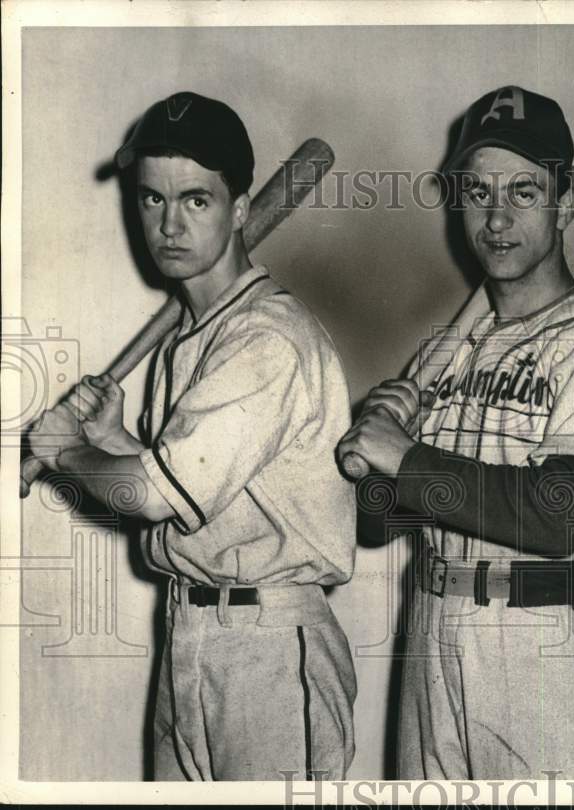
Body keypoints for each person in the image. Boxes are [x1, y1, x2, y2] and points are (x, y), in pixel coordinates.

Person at [28, 91, 358, 781]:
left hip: (268, 650)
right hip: (191, 631)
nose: (169, 224)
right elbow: (185, 496)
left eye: (196, 200)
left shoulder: (266, 340)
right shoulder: (195, 336)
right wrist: (113, 440)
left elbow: (152, 494)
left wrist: (66, 454)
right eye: (152, 199)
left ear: (240, 210)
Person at [337, 85, 574, 779]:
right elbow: (376, 524)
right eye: (477, 192)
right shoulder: (446, 352)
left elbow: (562, 513)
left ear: (568, 199)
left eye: (523, 191)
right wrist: (377, 448)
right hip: (431, 632)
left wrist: (407, 458)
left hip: (540, 640)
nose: (496, 217)